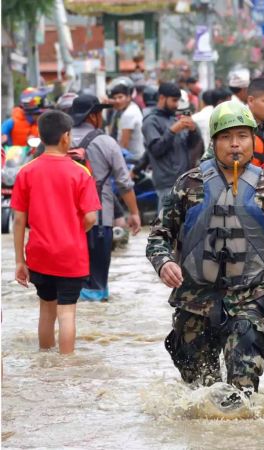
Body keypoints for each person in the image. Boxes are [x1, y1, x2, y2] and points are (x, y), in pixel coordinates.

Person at [146, 101, 264, 398]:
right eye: (226, 137)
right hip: (194, 302)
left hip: (250, 300)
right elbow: (158, 235)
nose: (235, 145)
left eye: (242, 136)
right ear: (214, 142)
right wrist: (164, 262)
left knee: (242, 392)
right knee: (202, 395)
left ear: (253, 140)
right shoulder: (187, 186)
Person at [12, 110, 100, 354]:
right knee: (67, 312)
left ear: (40, 137)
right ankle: (66, 368)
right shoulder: (80, 172)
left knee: (46, 311)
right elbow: (91, 217)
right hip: (71, 254)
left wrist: (20, 261)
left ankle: (46, 365)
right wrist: (73, 230)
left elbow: (19, 220)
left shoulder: (26, 171)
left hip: (40, 254)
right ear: (66, 137)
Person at [69, 94, 142, 301]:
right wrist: (134, 213)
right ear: (93, 116)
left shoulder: (59, 140)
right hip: (99, 220)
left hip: (65, 222)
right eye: (99, 112)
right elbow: (124, 183)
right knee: (97, 285)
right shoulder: (106, 142)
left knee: (69, 285)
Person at [142, 82, 203, 211]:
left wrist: (193, 130)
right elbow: (156, 149)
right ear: (162, 98)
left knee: (184, 225)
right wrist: (172, 131)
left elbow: (192, 146)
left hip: (184, 181)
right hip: (167, 183)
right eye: (174, 101)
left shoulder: (174, 119)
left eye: (178, 101)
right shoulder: (150, 122)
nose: (176, 105)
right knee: (167, 225)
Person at [107, 77, 145, 158]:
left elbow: (124, 144)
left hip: (131, 158)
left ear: (128, 97)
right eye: (115, 98)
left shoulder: (128, 114)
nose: (117, 101)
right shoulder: (131, 107)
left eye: (120, 97)